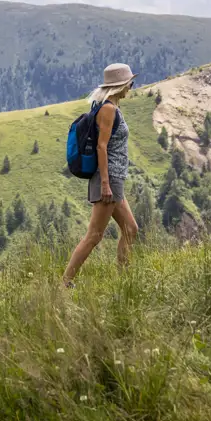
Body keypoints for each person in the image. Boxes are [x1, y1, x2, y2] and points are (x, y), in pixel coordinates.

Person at [62, 63, 141, 287]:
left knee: (130, 229)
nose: (131, 87)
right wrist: (105, 184)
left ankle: (123, 281)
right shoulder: (108, 109)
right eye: (130, 83)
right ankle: (65, 283)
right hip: (109, 179)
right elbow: (101, 146)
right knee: (94, 236)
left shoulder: (109, 107)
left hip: (114, 179)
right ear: (120, 85)